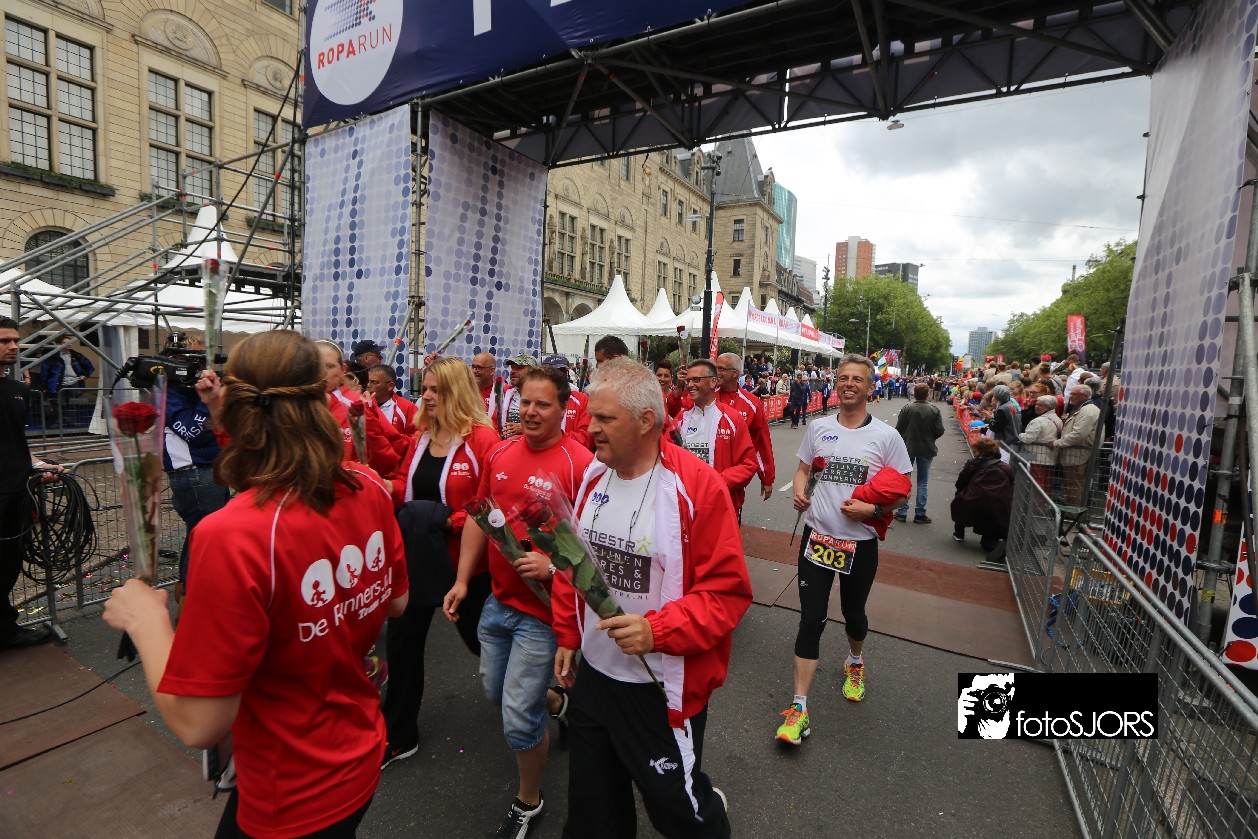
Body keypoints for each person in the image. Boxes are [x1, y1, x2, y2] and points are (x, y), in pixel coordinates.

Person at [103, 330, 410, 838]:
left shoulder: (232, 535)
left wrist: (148, 619)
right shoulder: (368, 486)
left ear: (239, 404)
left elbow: (199, 722)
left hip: (289, 790)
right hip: (358, 753)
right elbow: (396, 602)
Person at [553, 358, 751, 838]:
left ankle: (708, 812)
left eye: (604, 418)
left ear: (645, 421)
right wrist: (568, 634)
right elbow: (575, 561)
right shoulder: (592, 477)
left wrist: (656, 630)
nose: (589, 427)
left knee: (678, 814)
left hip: (658, 690)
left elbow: (726, 592)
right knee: (592, 816)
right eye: (591, 415)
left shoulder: (696, 487)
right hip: (595, 680)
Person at [443, 364, 593, 839]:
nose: (530, 411)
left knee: (516, 714)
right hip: (498, 601)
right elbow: (480, 518)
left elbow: (593, 547)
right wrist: (463, 581)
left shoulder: (580, 464)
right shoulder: (501, 452)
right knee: (496, 691)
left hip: (544, 614)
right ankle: (558, 703)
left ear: (564, 408)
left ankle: (529, 800)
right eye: (525, 402)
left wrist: (553, 567)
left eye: (542, 404)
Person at [776, 354, 910, 746]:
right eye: (843, 378)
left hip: (859, 544)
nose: (849, 383)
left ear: (870, 387)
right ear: (836, 384)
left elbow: (903, 491)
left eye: (857, 379)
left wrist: (875, 510)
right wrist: (798, 491)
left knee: (854, 615)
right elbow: (804, 469)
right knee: (811, 619)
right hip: (818, 538)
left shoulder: (886, 437)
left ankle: (855, 661)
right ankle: (799, 708)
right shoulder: (819, 427)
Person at [381, 357, 500, 767]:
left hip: (464, 567)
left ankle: (548, 698)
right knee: (402, 644)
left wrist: (448, 521)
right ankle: (399, 734)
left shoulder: (483, 439)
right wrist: (385, 487)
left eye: (436, 390)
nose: (427, 396)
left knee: (486, 647)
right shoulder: (422, 434)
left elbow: (489, 503)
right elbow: (406, 482)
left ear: (456, 392)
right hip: (417, 558)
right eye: (425, 389)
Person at [1, 317, 61, 648]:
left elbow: (16, 443)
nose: (13, 347)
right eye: (4, 341)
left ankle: (5, 630)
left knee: (8, 564)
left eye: (15, 340)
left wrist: (39, 467)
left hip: (16, 493)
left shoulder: (19, 391)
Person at [160, 330, 230, 593]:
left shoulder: (186, 389)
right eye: (197, 358)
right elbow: (192, 432)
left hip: (206, 472)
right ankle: (192, 597)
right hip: (194, 474)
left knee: (202, 539)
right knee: (204, 540)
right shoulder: (171, 390)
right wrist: (208, 401)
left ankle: (190, 594)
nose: (202, 365)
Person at [679, 359, 758, 517]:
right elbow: (667, 459)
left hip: (722, 505)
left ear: (713, 382)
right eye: (688, 380)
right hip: (687, 505)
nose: (690, 385)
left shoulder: (733, 419)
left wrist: (716, 481)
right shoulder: (681, 420)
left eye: (696, 380)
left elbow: (748, 464)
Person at [316, 339, 407, 476]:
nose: (322, 372)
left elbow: (391, 454)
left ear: (343, 370)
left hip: (349, 485)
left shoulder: (358, 404)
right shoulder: (297, 405)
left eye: (329, 366)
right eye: (316, 365)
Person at [714, 353, 775, 501]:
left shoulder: (752, 403)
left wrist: (767, 477)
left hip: (734, 481)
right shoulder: (706, 397)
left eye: (721, 369)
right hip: (705, 476)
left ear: (735, 373)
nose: (716, 372)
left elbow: (762, 442)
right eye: (715, 368)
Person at [950, 437, 1014, 563]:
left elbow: (961, 482)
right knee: (990, 533)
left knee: (960, 501)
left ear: (980, 450)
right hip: (998, 505)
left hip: (974, 499)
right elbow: (1011, 484)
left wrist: (963, 491)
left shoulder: (973, 464)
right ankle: (991, 543)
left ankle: (959, 532)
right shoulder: (1005, 467)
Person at [893, 383, 945, 524]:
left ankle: (902, 511)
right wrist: (931, 437)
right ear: (927, 394)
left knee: (905, 480)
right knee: (923, 481)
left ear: (914, 393)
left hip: (907, 447)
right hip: (926, 448)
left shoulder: (907, 408)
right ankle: (920, 513)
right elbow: (940, 430)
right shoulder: (934, 410)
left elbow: (898, 429)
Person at [1053, 385, 1101, 507]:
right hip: (1075, 452)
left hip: (1077, 453)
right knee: (1072, 484)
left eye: (1074, 394)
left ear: (1084, 396)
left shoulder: (1088, 410)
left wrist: (1057, 443)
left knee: (1074, 484)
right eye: (1071, 393)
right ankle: (1073, 511)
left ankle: (1073, 513)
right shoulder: (1083, 408)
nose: (1071, 396)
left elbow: (1079, 434)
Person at [40, 333, 94, 424]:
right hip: (57, 383)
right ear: (59, 344)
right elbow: (45, 372)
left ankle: (70, 421)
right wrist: (44, 386)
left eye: (70, 342)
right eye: (66, 343)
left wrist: (84, 375)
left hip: (73, 382)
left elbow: (89, 367)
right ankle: (57, 422)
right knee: (56, 403)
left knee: (72, 403)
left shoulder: (77, 355)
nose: (70, 344)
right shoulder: (52, 356)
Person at [542, 354, 592, 449]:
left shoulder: (581, 399)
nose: (559, 376)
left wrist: (552, 437)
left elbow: (585, 439)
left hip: (571, 454)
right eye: (553, 372)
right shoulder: (534, 401)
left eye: (563, 371)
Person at [1018, 394, 1063, 496]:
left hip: (1034, 457)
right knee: (1046, 483)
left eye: (1040, 405)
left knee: (1036, 483)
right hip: (1050, 457)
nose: (1036, 406)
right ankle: (1043, 504)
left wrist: (1019, 434)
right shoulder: (1058, 419)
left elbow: (1028, 438)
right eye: (1036, 404)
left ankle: (1036, 505)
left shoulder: (1038, 421)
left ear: (1048, 407)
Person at [367, 364, 418, 435]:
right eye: (369, 381)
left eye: (374, 382)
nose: (369, 385)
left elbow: (416, 438)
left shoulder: (406, 408)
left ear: (390, 386)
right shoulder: (362, 405)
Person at [500, 353, 538, 439]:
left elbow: (551, 426)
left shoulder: (544, 396)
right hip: (509, 445)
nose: (513, 371)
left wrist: (523, 428)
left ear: (532, 372)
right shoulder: (507, 394)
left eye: (519, 368)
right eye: (512, 368)